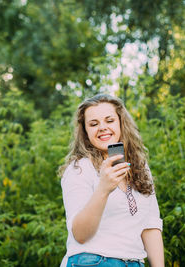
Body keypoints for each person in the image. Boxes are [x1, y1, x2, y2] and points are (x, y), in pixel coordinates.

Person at [60, 94, 164, 267]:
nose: (102, 128)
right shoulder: (79, 168)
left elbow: (151, 225)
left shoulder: (140, 167)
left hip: (135, 263)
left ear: (121, 123)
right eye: (93, 124)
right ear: (85, 132)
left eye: (109, 120)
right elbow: (80, 234)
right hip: (93, 261)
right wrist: (103, 189)